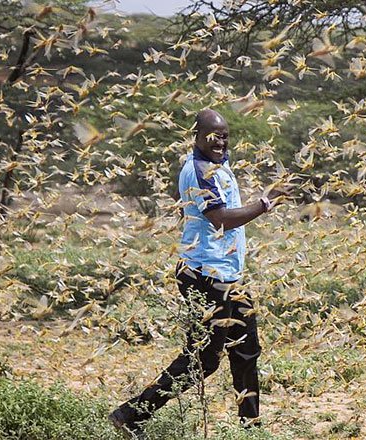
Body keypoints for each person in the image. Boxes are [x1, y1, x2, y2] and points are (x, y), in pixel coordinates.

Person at [109, 109, 284, 438]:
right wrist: (264, 204)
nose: (220, 141)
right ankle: (130, 415)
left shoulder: (219, 164)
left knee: (246, 348)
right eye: (213, 135)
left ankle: (250, 429)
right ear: (197, 135)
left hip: (228, 274)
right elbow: (220, 218)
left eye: (224, 136)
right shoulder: (199, 170)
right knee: (204, 358)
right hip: (204, 274)